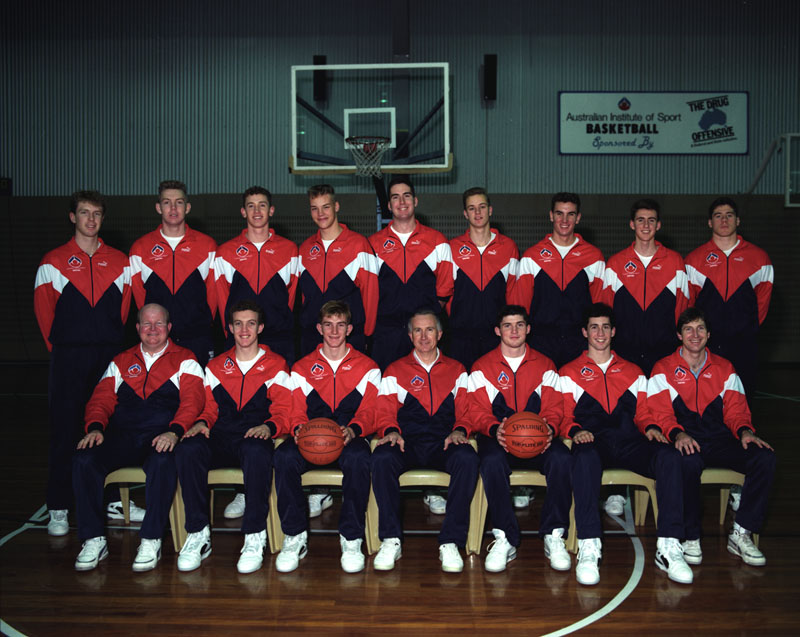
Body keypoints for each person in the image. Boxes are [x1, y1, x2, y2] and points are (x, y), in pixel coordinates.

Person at [560, 303, 693, 586]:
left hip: (630, 443)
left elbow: (645, 413)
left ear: (614, 332)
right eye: (594, 327)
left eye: (606, 327)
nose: (600, 332)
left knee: (669, 457)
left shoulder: (634, 371)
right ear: (585, 332)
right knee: (582, 459)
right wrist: (575, 430)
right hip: (593, 442)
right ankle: (589, 545)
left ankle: (669, 546)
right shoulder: (568, 372)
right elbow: (561, 415)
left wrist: (652, 428)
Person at [71, 304, 204, 572]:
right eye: (146, 324)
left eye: (158, 324)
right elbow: (101, 399)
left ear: (169, 328)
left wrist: (175, 431)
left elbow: (193, 402)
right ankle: (93, 538)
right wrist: (95, 427)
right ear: (137, 329)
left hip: (162, 436)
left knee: (163, 463)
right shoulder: (121, 361)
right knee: (84, 459)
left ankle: (151, 538)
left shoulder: (185, 359)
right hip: (123, 436)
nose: (152, 330)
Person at [34, 190, 134, 536]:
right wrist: (68, 349)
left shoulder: (121, 262)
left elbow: (123, 314)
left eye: (96, 214)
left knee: (110, 429)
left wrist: (106, 344)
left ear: (103, 219)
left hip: (109, 357)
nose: (90, 219)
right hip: (69, 357)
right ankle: (59, 506)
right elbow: (45, 317)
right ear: (72, 217)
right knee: (65, 432)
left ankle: (110, 500)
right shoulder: (52, 262)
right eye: (84, 213)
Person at [648, 307, 776, 567]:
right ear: (679, 335)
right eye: (688, 329)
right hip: (685, 439)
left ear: (708, 334)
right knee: (687, 462)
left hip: (719, 439)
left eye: (700, 329)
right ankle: (690, 536)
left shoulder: (725, 368)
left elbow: (737, 410)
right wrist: (678, 433)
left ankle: (741, 532)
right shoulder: (663, 368)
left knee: (764, 457)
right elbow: (660, 413)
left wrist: (745, 431)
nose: (695, 335)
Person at [174, 300, 292, 573]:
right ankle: (198, 534)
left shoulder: (276, 364)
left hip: (255, 435)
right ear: (230, 328)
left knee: (256, 449)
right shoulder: (215, 365)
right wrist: (202, 422)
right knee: (188, 448)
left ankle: (254, 536)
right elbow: (209, 409)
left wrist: (270, 427)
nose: (244, 329)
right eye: (238, 323)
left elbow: (285, 411)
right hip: (222, 436)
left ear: (260, 327)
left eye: (251, 323)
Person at [274, 301, 381, 574]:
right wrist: (298, 428)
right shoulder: (300, 367)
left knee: (359, 456)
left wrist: (354, 429)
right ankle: (295, 535)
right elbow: (293, 409)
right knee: (284, 455)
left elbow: (371, 410)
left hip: (348, 436)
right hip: (312, 437)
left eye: (341, 325)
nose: (334, 331)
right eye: (329, 325)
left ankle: (351, 537)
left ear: (350, 328)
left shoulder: (368, 367)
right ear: (319, 328)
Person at [370, 310, 479, 572]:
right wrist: (390, 430)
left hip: (444, 443)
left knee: (467, 458)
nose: (424, 336)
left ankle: (451, 541)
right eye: (417, 331)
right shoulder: (394, 370)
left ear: (440, 334)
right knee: (382, 457)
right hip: (407, 443)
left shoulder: (457, 370)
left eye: (429, 330)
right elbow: (383, 411)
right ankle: (391, 539)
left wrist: (460, 430)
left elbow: (467, 412)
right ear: (410, 336)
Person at [468, 305, 573, 574]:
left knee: (562, 458)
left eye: (519, 325)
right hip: (501, 436)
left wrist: (549, 426)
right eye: (507, 325)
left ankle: (554, 534)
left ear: (528, 329)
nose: (513, 331)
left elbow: (555, 406)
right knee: (490, 460)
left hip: (537, 437)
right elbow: (476, 409)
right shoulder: (482, 366)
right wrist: (494, 429)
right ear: (497, 330)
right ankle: (505, 537)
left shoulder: (546, 364)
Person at [684, 197, 773, 404]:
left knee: (743, 397)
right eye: (718, 216)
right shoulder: (694, 260)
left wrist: (745, 329)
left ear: (738, 220)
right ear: (710, 222)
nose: (724, 220)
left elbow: (763, 303)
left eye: (729, 215)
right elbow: (688, 305)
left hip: (744, 343)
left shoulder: (759, 258)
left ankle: (744, 433)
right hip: (707, 344)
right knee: (707, 398)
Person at [510, 192, 604, 368]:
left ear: (578, 218)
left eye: (571, 214)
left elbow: (599, 308)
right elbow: (520, 306)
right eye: (559, 213)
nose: (564, 220)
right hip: (540, 343)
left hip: (579, 343)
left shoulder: (593, 257)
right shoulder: (532, 257)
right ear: (551, 216)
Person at [129, 180, 217, 367]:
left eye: (179, 202)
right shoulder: (140, 248)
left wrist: (201, 323)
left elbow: (214, 296)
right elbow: (140, 300)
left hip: (197, 338)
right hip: (158, 340)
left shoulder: (207, 246)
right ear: (158, 207)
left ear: (188, 207)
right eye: (167, 202)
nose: (173, 207)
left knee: (199, 394)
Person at [369, 177, 453, 370]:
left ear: (415, 201)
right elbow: (368, 291)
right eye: (396, 198)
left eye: (406, 196)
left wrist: (423, 316)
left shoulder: (437, 241)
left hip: (422, 335)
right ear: (389, 205)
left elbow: (445, 288)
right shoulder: (373, 244)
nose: (402, 202)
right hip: (386, 333)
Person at [601, 199, 689, 377]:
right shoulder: (615, 264)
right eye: (640, 220)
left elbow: (683, 308)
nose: (646, 225)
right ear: (632, 224)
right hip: (624, 353)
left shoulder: (675, 262)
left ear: (658, 225)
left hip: (664, 353)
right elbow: (605, 310)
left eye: (651, 220)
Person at [215, 186, 298, 365]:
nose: (257, 211)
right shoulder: (225, 252)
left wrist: (279, 321)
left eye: (262, 205)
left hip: (279, 339)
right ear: (243, 212)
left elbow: (291, 297)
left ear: (271, 210)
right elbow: (222, 300)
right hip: (241, 339)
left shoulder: (290, 250)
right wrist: (233, 332)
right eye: (251, 206)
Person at [297, 184, 378, 357]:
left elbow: (371, 294)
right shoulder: (304, 249)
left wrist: (367, 335)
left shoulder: (359, 244)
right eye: (315, 209)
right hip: (312, 337)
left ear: (336, 206)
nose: (320, 214)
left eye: (326, 207)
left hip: (349, 337)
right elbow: (304, 296)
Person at [447, 187, 519, 370]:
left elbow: (513, 294)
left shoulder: (508, 247)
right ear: (465, 213)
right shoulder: (451, 248)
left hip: (495, 336)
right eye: (472, 208)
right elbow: (446, 294)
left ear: (490, 210)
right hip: (460, 338)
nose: (477, 213)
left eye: (482, 207)